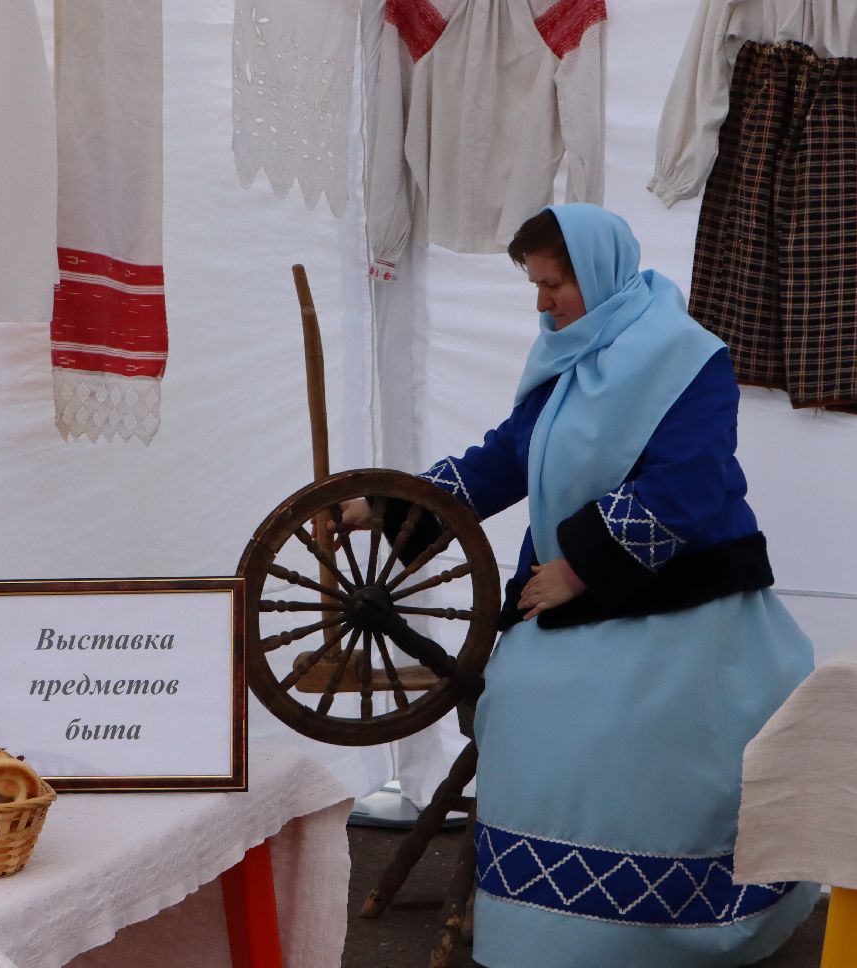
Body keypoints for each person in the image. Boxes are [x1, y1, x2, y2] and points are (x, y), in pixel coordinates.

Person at [345, 203, 817, 967]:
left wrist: (578, 570)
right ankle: (547, 929)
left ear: (598, 274)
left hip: (684, 599)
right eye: (535, 284)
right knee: (522, 699)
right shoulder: (568, 356)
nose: (541, 302)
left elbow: (689, 486)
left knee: (611, 727)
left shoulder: (690, 358)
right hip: (581, 595)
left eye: (554, 284)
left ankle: (662, 927)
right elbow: (506, 458)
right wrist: (393, 507)